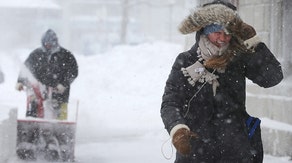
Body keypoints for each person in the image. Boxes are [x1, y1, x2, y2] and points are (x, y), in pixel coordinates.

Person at [160, 1, 283, 163]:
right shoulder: (186, 60)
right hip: (196, 152)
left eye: (228, 33)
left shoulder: (239, 59)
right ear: (205, 30)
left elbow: (272, 77)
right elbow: (170, 102)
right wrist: (177, 129)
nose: (223, 38)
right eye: (217, 32)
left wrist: (254, 42)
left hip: (235, 151)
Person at [16, 29, 78, 120]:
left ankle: (59, 131)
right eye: (45, 44)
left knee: (59, 116)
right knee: (33, 105)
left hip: (60, 93)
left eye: (49, 44)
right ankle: (32, 126)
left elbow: (73, 72)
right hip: (39, 90)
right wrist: (20, 81)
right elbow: (26, 68)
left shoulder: (66, 56)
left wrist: (63, 84)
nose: (47, 46)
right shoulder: (36, 54)